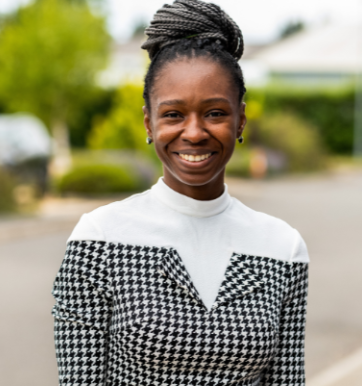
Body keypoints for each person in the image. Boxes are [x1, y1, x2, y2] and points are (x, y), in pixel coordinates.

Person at [51, 0, 309, 384]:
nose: (194, 132)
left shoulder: (282, 247)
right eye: (173, 114)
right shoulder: (100, 238)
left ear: (241, 119)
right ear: (149, 122)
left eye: (215, 113)